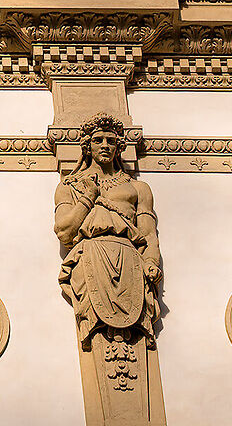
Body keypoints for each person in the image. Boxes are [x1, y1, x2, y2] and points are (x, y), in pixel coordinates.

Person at [54, 117, 161, 343]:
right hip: (91, 256)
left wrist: (151, 262)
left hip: (129, 258)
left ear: (119, 146)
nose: (105, 145)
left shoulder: (138, 188)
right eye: (98, 140)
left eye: (111, 141)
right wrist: (88, 197)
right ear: (87, 146)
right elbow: (64, 232)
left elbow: (149, 234)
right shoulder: (69, 186)